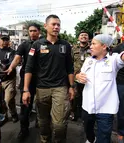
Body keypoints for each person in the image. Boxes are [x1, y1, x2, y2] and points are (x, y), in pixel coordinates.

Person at [22, 14, 75, 143]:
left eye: (58, 25)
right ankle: (45, 139)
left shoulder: (65, 45)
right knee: (43, 122)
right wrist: (25, 90)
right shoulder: (36, 45)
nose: (56, 27)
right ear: (46, 26)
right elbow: (28, 68)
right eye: (53, 24)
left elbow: (70, 67)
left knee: (59, 124)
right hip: (42, 89)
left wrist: (72, 87)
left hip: (60, 88)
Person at [6, 23, 41, 141]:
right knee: (25, 106)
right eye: (30, 31)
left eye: (35, 31)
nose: (32, 33)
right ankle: (23, 129)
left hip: (42, 79)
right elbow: (17, 58)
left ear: (39, 32)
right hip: (27, 80)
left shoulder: (44, 44)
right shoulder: (24, 45)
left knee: (42, 103)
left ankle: (39, 122)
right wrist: (11, 68)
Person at [0, 33, 19, 123]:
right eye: (3, 39)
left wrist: (4, 66)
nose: (5, 41)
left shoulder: (12, 51)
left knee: (8, 99)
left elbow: (13, 62)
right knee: (0, 101)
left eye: (6, 40)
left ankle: (13, 113)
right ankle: (5, 116)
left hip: (9, 79)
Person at [71, 30, 91, 121]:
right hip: (76, 77)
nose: (84, 36)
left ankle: (85, 115)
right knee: (75, 97)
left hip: (89, 78)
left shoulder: (93, 48)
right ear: (78, 38)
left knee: (86, 97)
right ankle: (74, 113)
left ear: (88, 38)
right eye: (81, 35)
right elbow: (70, 62)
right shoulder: (74, 49)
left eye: (86, 35)